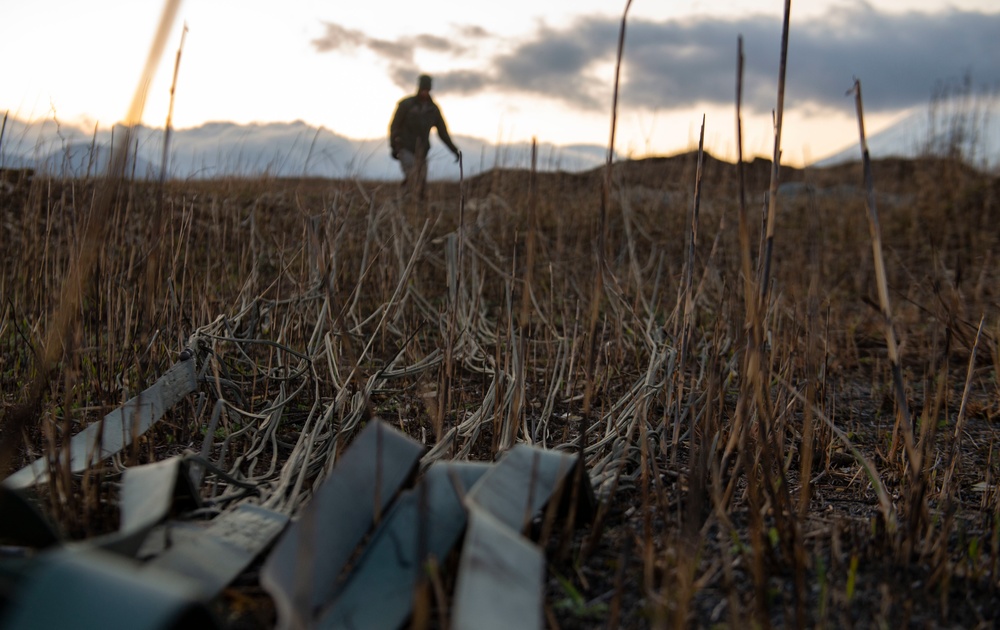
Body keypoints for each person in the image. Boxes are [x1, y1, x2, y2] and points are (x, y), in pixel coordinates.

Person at [389, 74, 461, 198]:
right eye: (423, 89)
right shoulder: (406, 105)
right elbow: (394, 126)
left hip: (422, 152)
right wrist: (393, 145)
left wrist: (454, 150)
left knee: (421, 182)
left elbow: (443, 132)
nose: (424, 92)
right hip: (405, 147)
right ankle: (403, 201)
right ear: (419, 88)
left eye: (427, 89)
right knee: (412, 176)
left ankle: (412, 203)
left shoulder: (433, 109)